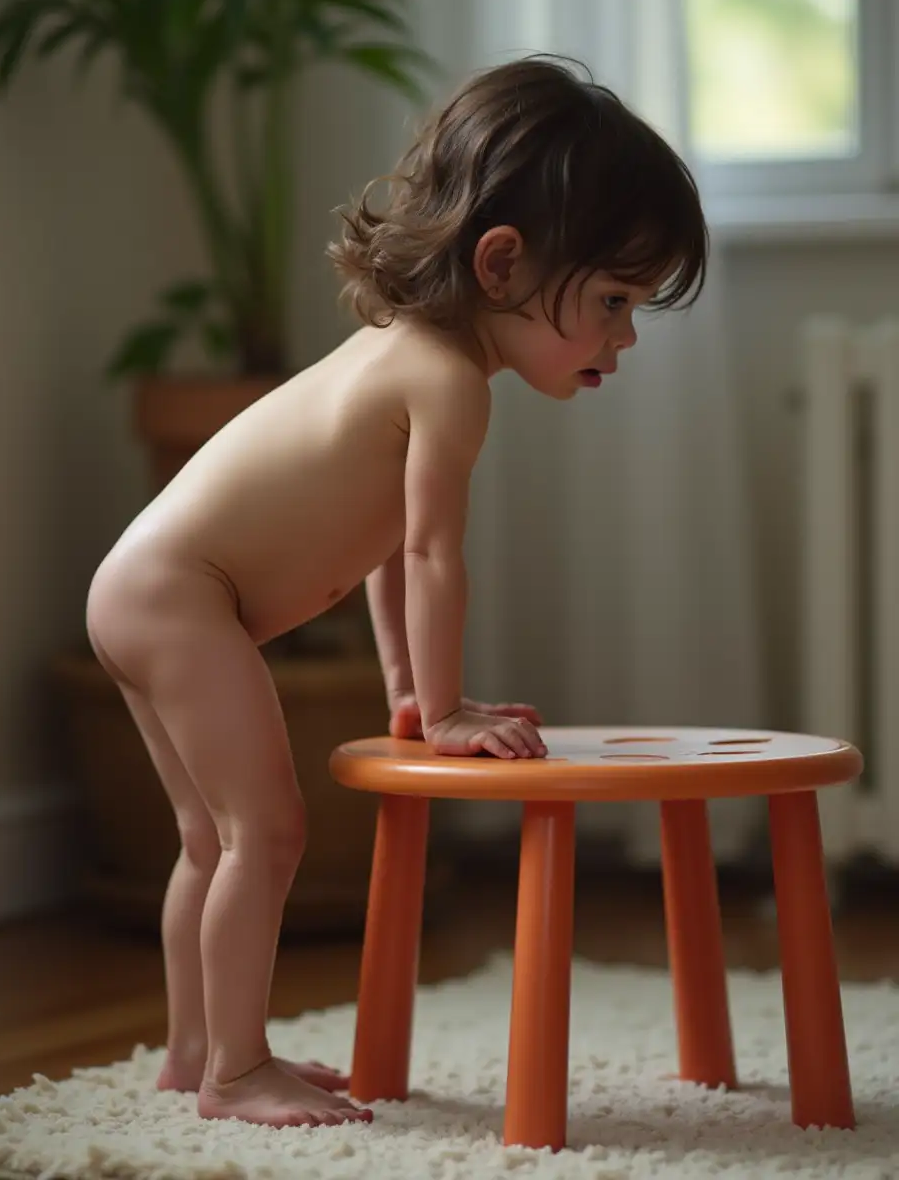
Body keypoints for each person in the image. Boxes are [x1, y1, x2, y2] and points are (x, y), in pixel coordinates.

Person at [86, 55, 708, 1133]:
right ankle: (234, 1069)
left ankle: (196, 1052)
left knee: (211, 839)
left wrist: (404, 687)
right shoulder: (447, 380)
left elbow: (378, 543)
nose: (626, 336)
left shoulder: (407, 358)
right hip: (180, 593)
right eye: (612, 300)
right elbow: (428, 555)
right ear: (504, 262)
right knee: (263, 833)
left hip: (147, 586)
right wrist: (452, 706)